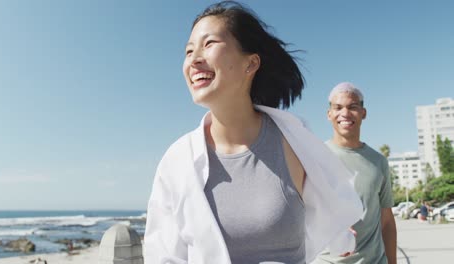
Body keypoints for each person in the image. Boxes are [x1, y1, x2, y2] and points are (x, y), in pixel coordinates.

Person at [144, 2, 363, 263]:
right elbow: (163, 255)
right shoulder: (177, 161)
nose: (194, 59)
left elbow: (330, 203)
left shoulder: (293, 139)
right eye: (189, 51)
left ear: (251, 63)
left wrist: (343, 237)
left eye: (209, 43)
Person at [313, 82, 397, 264]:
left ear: (363, 113)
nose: (345, 113)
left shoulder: (378, 161)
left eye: (352, 107)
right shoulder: (313, 157)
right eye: (338, 108)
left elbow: (387, 221)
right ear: (329, 114)